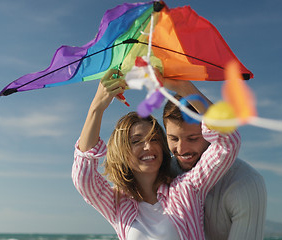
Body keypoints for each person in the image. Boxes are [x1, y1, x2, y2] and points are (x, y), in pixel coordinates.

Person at [72, 69, 241, 240]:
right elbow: (83, 178)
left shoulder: (187, 189)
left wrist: (186, 89)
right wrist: (97, 107)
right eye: (136, 141)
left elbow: (228, 142)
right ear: (122, 151)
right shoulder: (117, 203)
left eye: (154, 139)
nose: (148, 146)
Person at [161, 80, 267, 240]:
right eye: (173, 138)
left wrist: (185, 88)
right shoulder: (162, 172)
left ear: (210, 133)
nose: (181, 150)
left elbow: (228, 136)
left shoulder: (246, 183)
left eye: (192, 138)